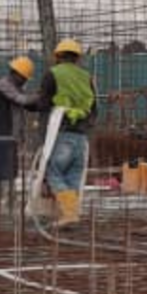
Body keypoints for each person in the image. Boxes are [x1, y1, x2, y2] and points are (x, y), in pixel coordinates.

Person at [31, 38, 97, 226]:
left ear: (58, 56)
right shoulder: (87, 77)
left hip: (62, 132)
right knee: (73, 176)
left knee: (54, 173)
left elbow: (43, 104)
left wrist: (28, 103)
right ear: (77, 57)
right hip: (81, 136)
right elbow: (94, 109)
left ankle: (68, 213)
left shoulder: (53, 74)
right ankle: (70, 215)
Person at [0, 56, 38, 209]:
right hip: (2, 134)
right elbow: (21, 100)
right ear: (18, 74)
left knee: (6, 168)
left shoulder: (15, 87)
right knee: (6, 168)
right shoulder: (4, 85)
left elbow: (26, 107)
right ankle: (7, 201)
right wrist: (41, 96)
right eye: (25, 78)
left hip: (9, 135)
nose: (25, 81)